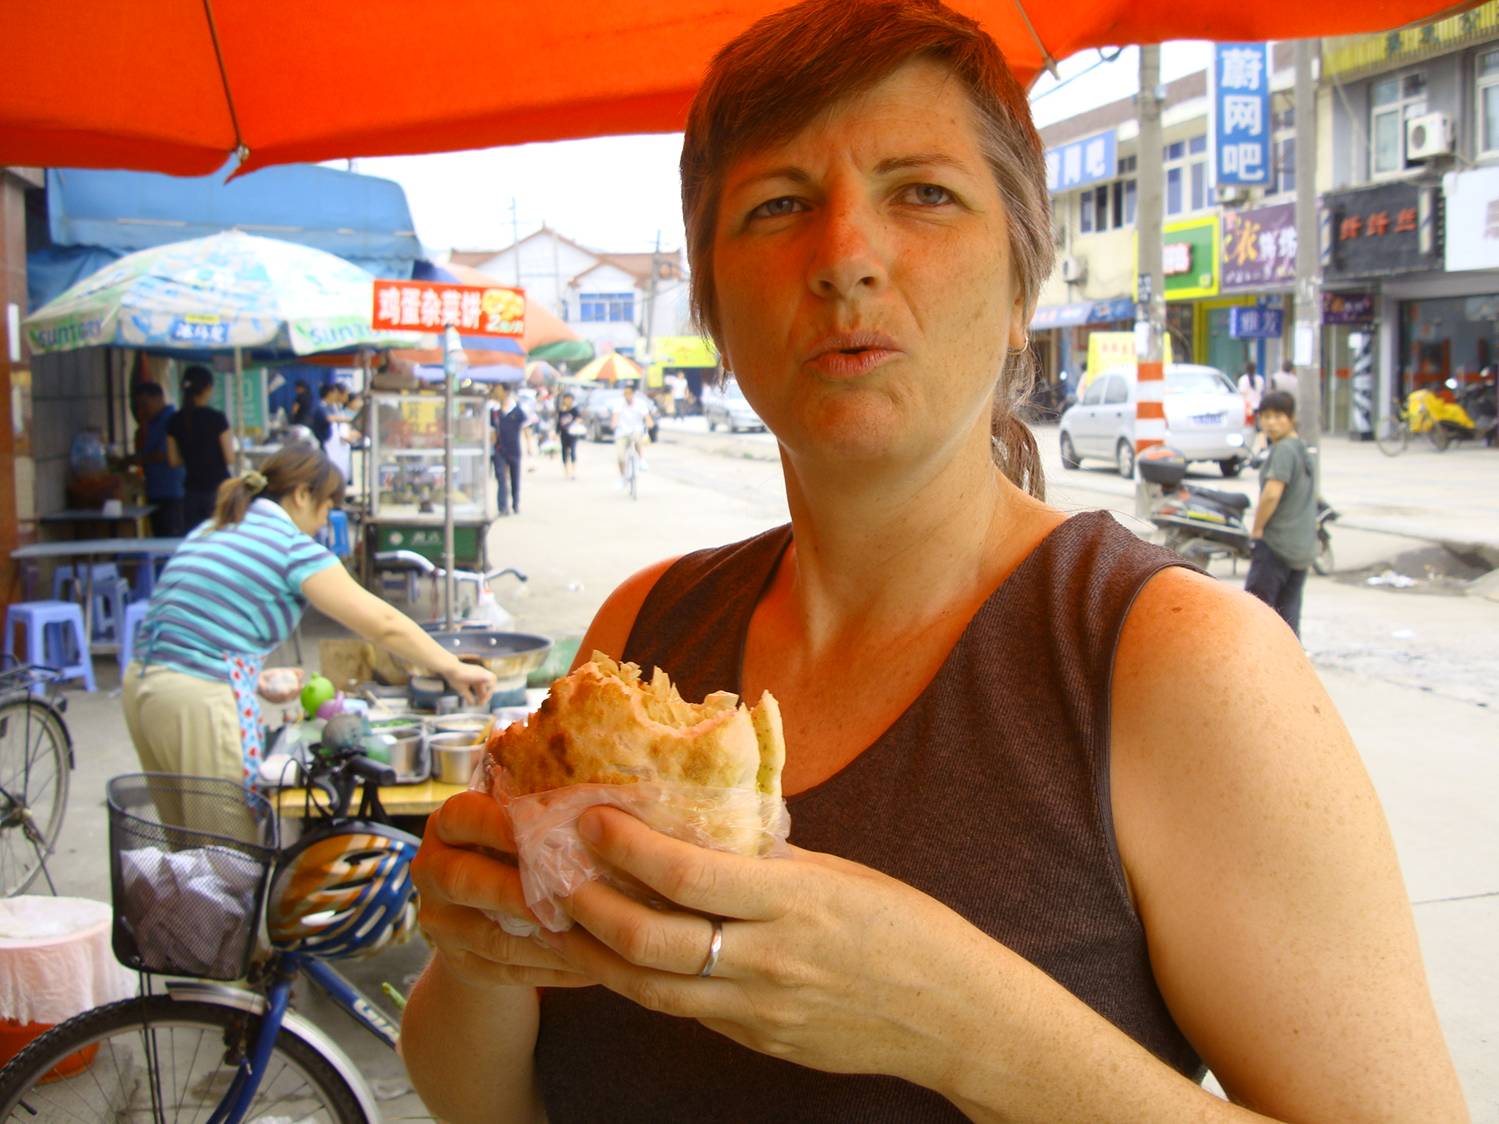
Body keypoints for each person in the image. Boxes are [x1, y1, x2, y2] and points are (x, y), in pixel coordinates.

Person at [401, 2, 1466, 1120]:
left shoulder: (1175, 660)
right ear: (712, 306)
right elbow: (488, 1102)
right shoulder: (639, 638)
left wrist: (960, 1021)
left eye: (922, 192)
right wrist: (478, 950)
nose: (844, 258)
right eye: (777, 205)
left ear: (1020, 286)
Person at [124, 444, 494, 787]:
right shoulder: (289, 544)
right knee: (229, 849)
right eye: (326, 509)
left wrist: (252, 676)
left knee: (189, 847)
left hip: (143, 688)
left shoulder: (217, 526)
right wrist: (452, 667)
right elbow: (383, 624)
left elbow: (197, 628)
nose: (324, 523)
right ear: (301, 494)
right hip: (196, 700)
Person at [1245, 390, 1317, 637]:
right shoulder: (1303, 449)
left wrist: (1257, 529)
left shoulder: (1284, 450)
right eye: (1265, 416)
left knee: (1257, 613)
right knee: (1288, 618)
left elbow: (1272, 494)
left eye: (1277, 416)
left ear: (1291, 417)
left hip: (1276, 545)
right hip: (1301, 548)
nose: (1270, 422)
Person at [166, 365, 233, 531]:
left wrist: (191, 456)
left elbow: (173, 461)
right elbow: (229, 457)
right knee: (221, 539)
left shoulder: (174, 420)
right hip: (219, 490)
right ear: (208, 388)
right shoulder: (217, 418)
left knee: (196, 539)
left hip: (191, 491)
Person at [131, 383, 185, 538]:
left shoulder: (170, 420)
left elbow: (165, 454)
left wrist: (139, 459)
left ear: (159, 398)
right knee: (159, 536)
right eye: (139, 406)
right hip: (155, 491)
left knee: (169, 537)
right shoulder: (153, 423)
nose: (143, 410)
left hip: (171, 492)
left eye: (145, 404)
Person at [492, 384, 525, 515]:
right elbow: (491, 431)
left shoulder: (517, 411)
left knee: (514, 477)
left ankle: (515, 504)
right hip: (499, 449)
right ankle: (502, 507)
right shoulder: (494, 411)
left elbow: (525, 429)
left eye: (499, 391)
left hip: (514, 449)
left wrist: (529, 447)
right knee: (501, 477)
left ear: (506, 392)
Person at [611, 382, 653, 481]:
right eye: (625, 393)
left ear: (633, 394)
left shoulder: (640, 404)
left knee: (637, 438)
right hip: (622, 432)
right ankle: (622, 477)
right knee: (620, 457)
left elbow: (647, 417)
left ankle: (641, 459)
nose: (627, 396)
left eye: (629, 393)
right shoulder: (619, 403)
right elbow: (615, 416)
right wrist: (614, 424)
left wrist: (649, 423)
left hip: (636, 429)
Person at [555, 391, 583, 481]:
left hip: (573, 434)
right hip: (563, 434)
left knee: (573, 452)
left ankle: (573, 471)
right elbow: (558, 423)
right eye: (566, 399)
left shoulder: (574, 409)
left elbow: (579, 418)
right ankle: (566, 471)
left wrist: (577, 422)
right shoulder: (561, 410)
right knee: (564, 452)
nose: (568, 401)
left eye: (570, 399)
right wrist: (556, 433)